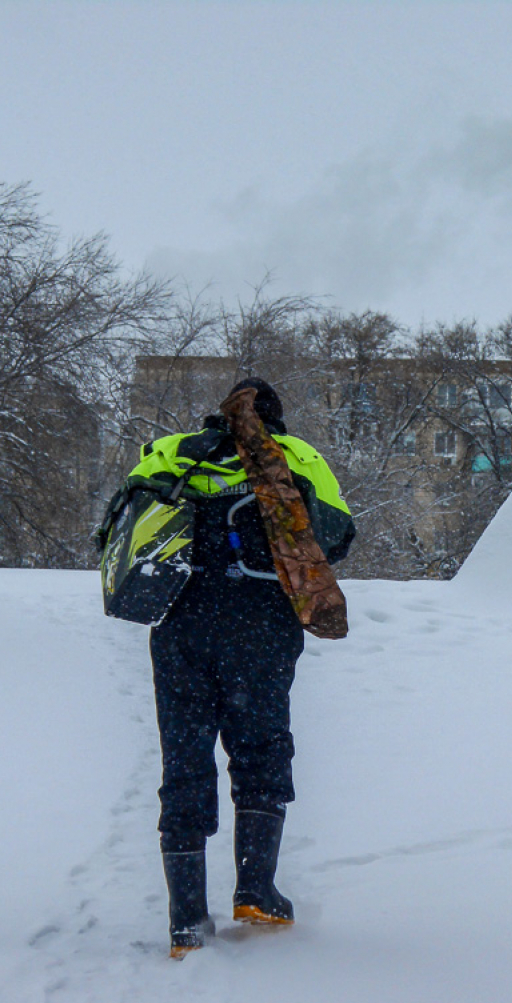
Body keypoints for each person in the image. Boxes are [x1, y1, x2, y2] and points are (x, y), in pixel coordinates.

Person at [128, 378, 355, 957]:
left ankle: (185, 921)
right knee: (260, 748)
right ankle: (255, 890)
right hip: (259, 626)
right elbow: (335, 535)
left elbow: (124, 528)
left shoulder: (171, 451)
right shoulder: (296, 455)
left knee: (184, 756)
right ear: (275, 417)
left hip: (181, 625)